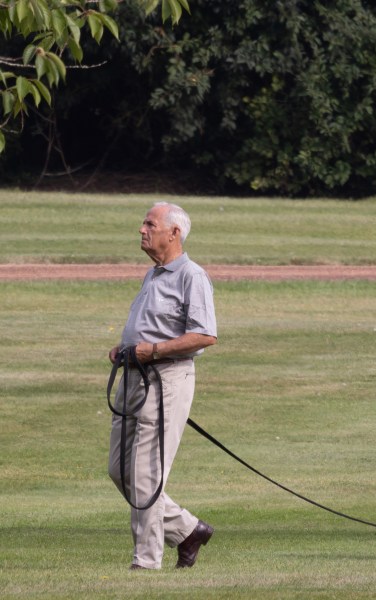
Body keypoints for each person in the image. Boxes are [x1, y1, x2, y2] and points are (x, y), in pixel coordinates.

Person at [107, 201, 218, 570]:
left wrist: (150, 350)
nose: (142, 230)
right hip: (134, 376)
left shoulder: (192, 276)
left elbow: (204, 335)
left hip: (167, 379)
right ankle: (187, 530)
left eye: (150, 224)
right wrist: (126, 350)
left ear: (174, 233)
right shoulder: (153, 274)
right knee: (120, 470)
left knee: (145, 475)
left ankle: (146, 562)